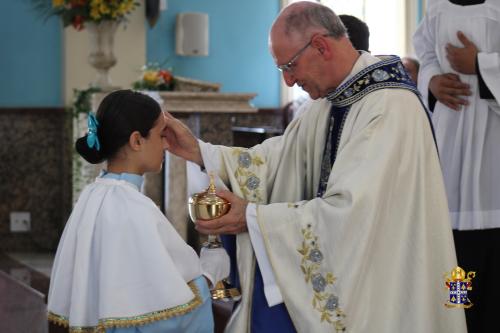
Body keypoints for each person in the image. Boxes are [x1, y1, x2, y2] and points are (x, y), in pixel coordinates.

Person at [164, 2, 466, 332]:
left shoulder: (389, 107)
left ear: (321, 46)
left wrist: (251, 216)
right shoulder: (334, 98)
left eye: (289, 67)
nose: (290, 81)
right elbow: (278, 158)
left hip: (380, 285)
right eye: (283, 71)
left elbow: (353, 214)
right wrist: (201, 151)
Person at [47, 90, 229, 333]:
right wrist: (209, 272)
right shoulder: (134, 208)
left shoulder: (91, 196)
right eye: (161, 135)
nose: (166, 144)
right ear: (136, 141)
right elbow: (171, 316)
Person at [413, 1, 500, 332]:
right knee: (457, 284)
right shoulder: (436, 7)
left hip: (493, 151)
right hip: (451, 146)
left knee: (492, 298)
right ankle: (455, 321)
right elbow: (426, 56)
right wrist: (432, 81)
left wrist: (480, 64)